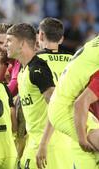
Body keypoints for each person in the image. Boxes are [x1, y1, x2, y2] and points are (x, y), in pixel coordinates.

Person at [5, 23, 72, 169]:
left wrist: (43, 144)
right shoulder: (24, 70)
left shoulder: (37, 69)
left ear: (22, 44)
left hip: (50, 147)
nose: (5, 44)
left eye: (9, 40)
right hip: (35, 143)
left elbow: (57, 105)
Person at [41, 35, 99, 169]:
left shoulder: (93, 46)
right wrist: (82, 138)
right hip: (67, 108)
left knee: (90, 157)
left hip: (63, 104)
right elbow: (80, 103)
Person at [36, 17, 74, 168]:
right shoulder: (73, 60)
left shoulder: (34, 62)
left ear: (40, 35)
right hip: (69, 137)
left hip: (40, 138)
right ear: (61, 39)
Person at [0, 22, 20, 97]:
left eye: (1, 43)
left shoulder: (20, 64)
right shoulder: (10, 65)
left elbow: (1, 95)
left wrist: (2, 63)